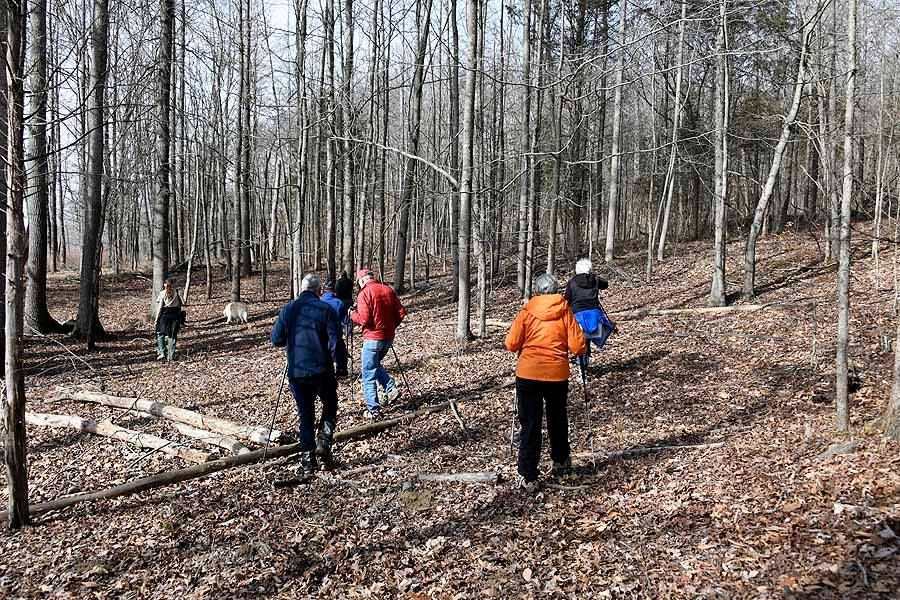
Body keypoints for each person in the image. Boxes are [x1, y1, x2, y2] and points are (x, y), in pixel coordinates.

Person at [505, 273, 586, 492]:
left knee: (530, 424)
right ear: (556, 290)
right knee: (557, 419)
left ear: (538, 291)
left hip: (528, 374)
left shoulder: (527, 312)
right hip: (556, 374)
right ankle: (560, 461)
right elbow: (579, 347)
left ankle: (528, 475)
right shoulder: (565, 311)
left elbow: (511, 344)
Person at [271, 274, 341, 473]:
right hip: (322, 369)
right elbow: (335, 341)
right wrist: (342, 367)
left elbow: (276, 339)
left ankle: (308, 462)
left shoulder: (289, 309)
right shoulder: (325, 309)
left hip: (298, 371)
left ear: (302, 289)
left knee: (306, 416)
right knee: (330, 403)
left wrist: (292, 338)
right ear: (319, 290)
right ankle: (324, 440)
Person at [349, 269, 406, 420]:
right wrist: (391, 326)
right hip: (388, 338)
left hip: (373, 338)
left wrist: (351, 314)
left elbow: (364, 320)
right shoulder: (388, 289)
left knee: (368, 374)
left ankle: (373, 410)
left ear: (361, 281)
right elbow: (401, 313)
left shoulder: (364, 293)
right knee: (374, 365)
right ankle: (390, 387)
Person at [563, 258, 614, 373]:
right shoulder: (595, 280)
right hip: (594, 316)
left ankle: (582, 366)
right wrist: (594, 277)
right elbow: (605, 284)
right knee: (587, 341)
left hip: (578, 317)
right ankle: (583, 365)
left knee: (581, 341)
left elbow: (567, 300)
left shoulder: (572, 282)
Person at [321, 279, 350, 377]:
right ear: (335, 290)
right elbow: (346, 320)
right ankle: (341, 371)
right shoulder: (339, 303)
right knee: (341, 352)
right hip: (335, 335)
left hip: (320, 335)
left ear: (324, 290)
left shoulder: (319, 302)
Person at [154, 277, 185, 362]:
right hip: (175, 316)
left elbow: (160, 308)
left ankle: (162, 353)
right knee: (172, 336)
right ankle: (171, 356)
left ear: (165, 284)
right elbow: (183, 303)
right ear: (173, 284)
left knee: (160, 334)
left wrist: (156, 319)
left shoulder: (162, 293)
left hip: (164, 316)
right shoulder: (178, 292)